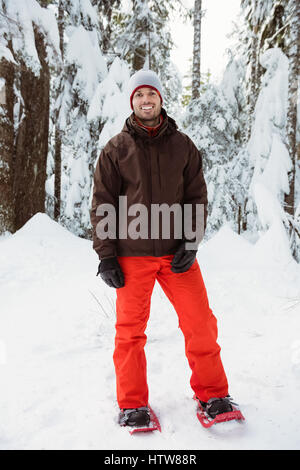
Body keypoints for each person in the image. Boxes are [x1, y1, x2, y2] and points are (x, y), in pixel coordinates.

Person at [91, 69, 234, 428]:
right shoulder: (116, 149)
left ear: (160, 99)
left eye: (150, 94)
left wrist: (191, 240)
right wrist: (106, 255)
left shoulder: (183, 146)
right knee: (130, 332)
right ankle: (132, 404)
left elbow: (195, 197)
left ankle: (213, 395)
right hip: (132, 255)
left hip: (176, 255)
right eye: (139, 95)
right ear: (131, 102)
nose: (145, 100)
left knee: (201, 323)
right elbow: (103, 202)